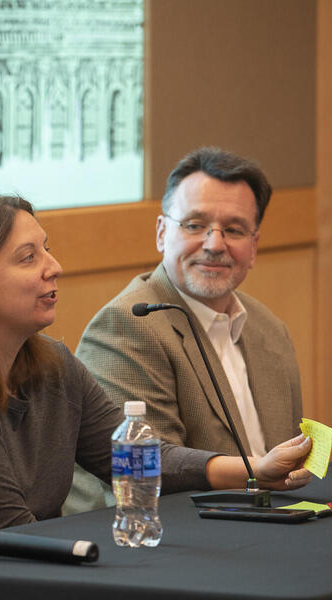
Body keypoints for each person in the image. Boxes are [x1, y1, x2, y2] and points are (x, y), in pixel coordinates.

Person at [0, 194, 312, 550]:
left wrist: (254, 469)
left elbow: (136, 457)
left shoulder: (53, 364)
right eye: (28, 257)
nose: (54, 268)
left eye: (47, 251)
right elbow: (7, 532)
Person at [76, 147, 302, 456]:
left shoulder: (270, 329)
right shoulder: (126, 327)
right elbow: (152, 477)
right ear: (161, 232)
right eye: (194, 225)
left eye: (234, 230)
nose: (214, 245)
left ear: (253, 247)